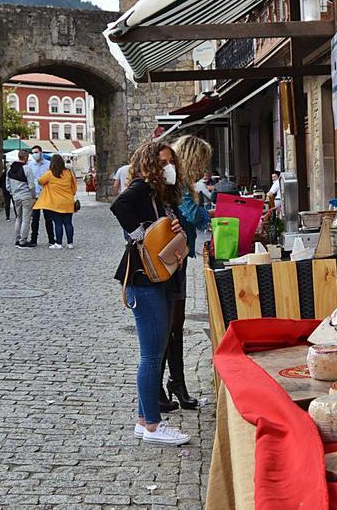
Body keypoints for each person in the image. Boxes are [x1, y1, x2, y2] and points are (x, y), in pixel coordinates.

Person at [110, 141, 190, 446]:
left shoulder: (160, 194)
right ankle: (154, 426)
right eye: (164, 162)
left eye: (171, 161)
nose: (169, 167)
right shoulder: (143, 186)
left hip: (160, 279)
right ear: (150, 164)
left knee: (155, 354)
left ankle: (145, 421)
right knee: (152, 355)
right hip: (144, 280)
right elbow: (120, 206)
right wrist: (139, 235)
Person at [162, 136, 213, 411]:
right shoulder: (178, 185)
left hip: (178, 259)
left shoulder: (180, 183)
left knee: (175, 324)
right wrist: (212, 215)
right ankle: (168, 386)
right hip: (171, 260)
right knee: (170, 324)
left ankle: (176, 383)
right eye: (202, 162)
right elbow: (190, 215)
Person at [34, 154, 78, 249]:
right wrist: (71, 194)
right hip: (68, 201)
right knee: (68, 223)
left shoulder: (50, 173)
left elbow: (40, 181)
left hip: (55, 202)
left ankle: (58, 243)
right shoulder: (68, 172)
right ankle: (70, 243)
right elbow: (74, 187)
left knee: (58, 223)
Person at [26, 145, 54, 246]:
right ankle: (34, 239)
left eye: (36, 152)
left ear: (41, 152)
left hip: (46, 194)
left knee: (48, 218)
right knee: (35, 219)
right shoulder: (30, 165)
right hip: (35, 195)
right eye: (33, 152)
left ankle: (51, 239)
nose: (35, 154)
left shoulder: (48, 165)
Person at [7, 151, 36, 248]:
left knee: (18, 218)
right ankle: (23, 241)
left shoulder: (10, 170)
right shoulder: (27, 168)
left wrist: (13, 193)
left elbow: (8, 186)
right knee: (26, 219)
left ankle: (17, 239)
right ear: (26, 157)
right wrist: (33, 196)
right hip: (26, 196)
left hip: (16, 197)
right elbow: (31, 185)